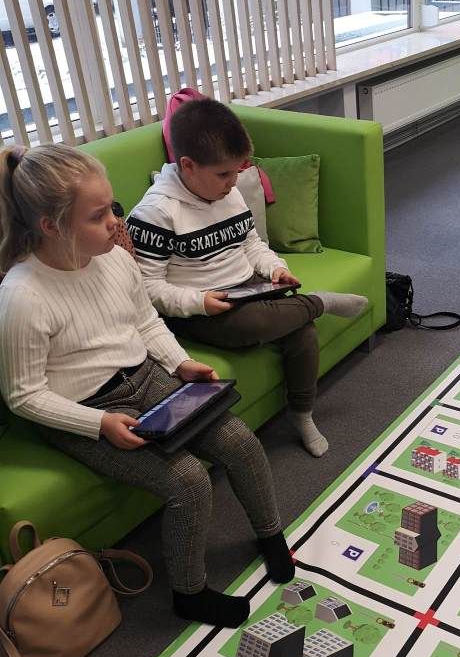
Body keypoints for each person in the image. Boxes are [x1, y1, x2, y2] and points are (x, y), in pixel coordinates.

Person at [0, 144, 296, 630]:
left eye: (113, 208)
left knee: (240, 442)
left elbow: (145, 322)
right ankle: (189, 593)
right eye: (98, 216)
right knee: (188, 481)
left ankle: (269, 534)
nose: (116, 224)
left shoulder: (114, 260)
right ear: (52, 226)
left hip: (146, 378)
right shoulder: (23, 295)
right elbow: (24, 395)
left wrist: (182, 363)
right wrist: (99, 424)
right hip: (86, 410)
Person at [127, 97, 369, 458]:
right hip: (198, 308)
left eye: (237, 172)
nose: (233, 182)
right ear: (188, 165)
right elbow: (146, 289)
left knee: (302, 332)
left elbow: (251, 243)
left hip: (248, 289)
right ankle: (320, 302)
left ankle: (302, 413)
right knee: (254, 324)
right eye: (224, 174)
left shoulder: (229, 192)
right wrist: (199, 302)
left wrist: (274, 269)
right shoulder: (155, 214)